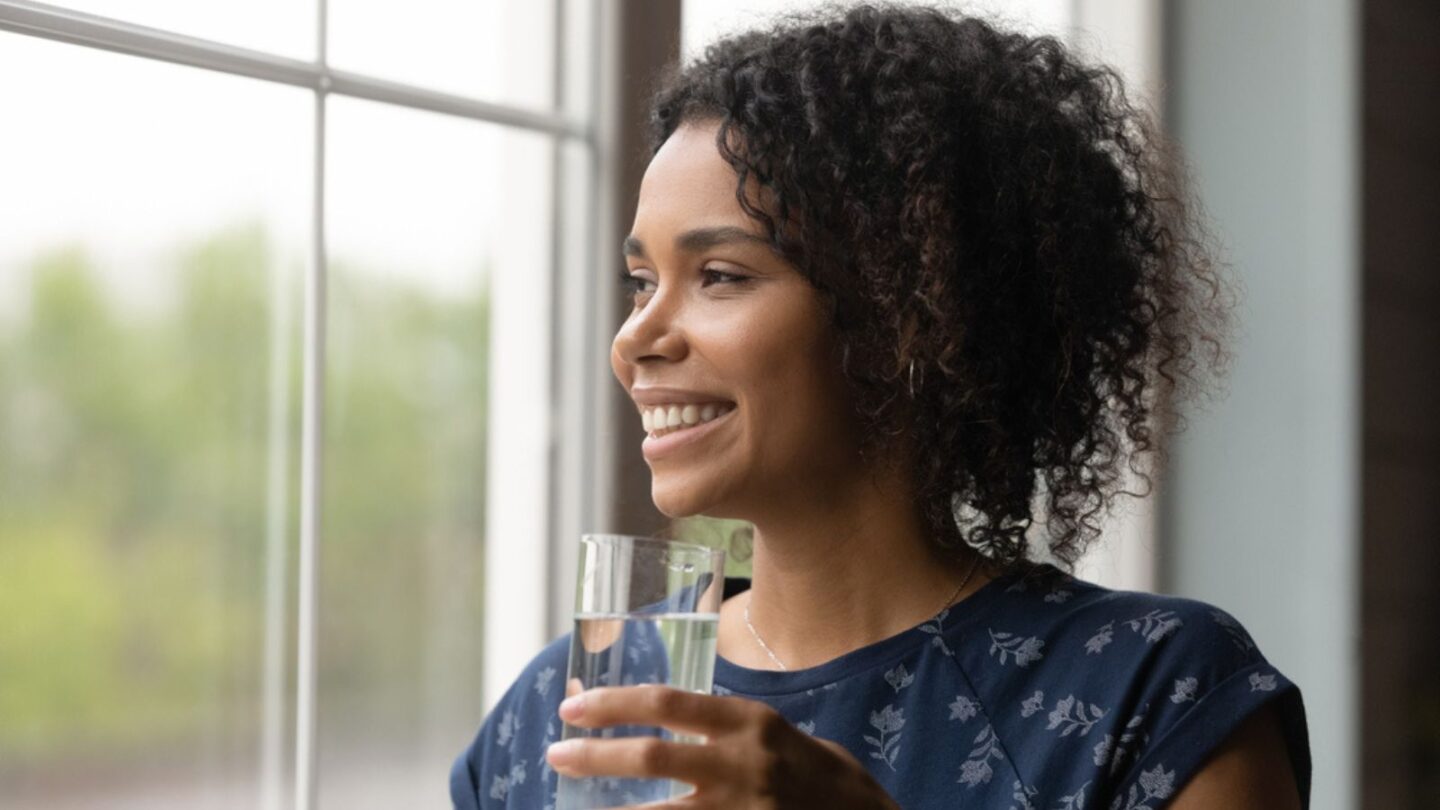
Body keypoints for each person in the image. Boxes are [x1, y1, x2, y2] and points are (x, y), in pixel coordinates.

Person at [451, 4, 1311, 808]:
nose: (636, 337)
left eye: (719, 275)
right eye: (641, 283)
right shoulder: (563, 709)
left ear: (912, 315)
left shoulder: (1161, 695)